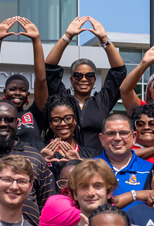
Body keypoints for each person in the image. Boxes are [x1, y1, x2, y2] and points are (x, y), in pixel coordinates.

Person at [44, 16, 127, 149]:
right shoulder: (63, 99)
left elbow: (119, 71)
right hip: (64, 162)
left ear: (94, 80)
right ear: (71, 80)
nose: (83, 79)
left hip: (96, 164)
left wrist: (104, 39)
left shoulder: (102, 102)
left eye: (89, 76)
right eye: (78, 76)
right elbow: (49, 68)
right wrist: (67, 36)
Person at [0, 17, 49, 149]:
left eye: (22, 90)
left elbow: (41, 80)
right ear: (5, 92)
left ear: (28, 94)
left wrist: (36, 40)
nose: (17, 93)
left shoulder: (34, 114)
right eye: (13, 89)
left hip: (30, 164)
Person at [41, 93, 102, 176]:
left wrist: (81, 164)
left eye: (68, 118)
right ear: (50, 123)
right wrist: (39, 161)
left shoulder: (92, 155)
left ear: (75, 120)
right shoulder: (38, 149)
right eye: (56, 120)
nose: (62, 123)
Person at [96, 113, 154, 197]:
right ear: (102, 139)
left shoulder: (150, 170)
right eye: (111, 133)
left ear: (134, 137)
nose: (117, 138)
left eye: (123, 133)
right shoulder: (88, 169)